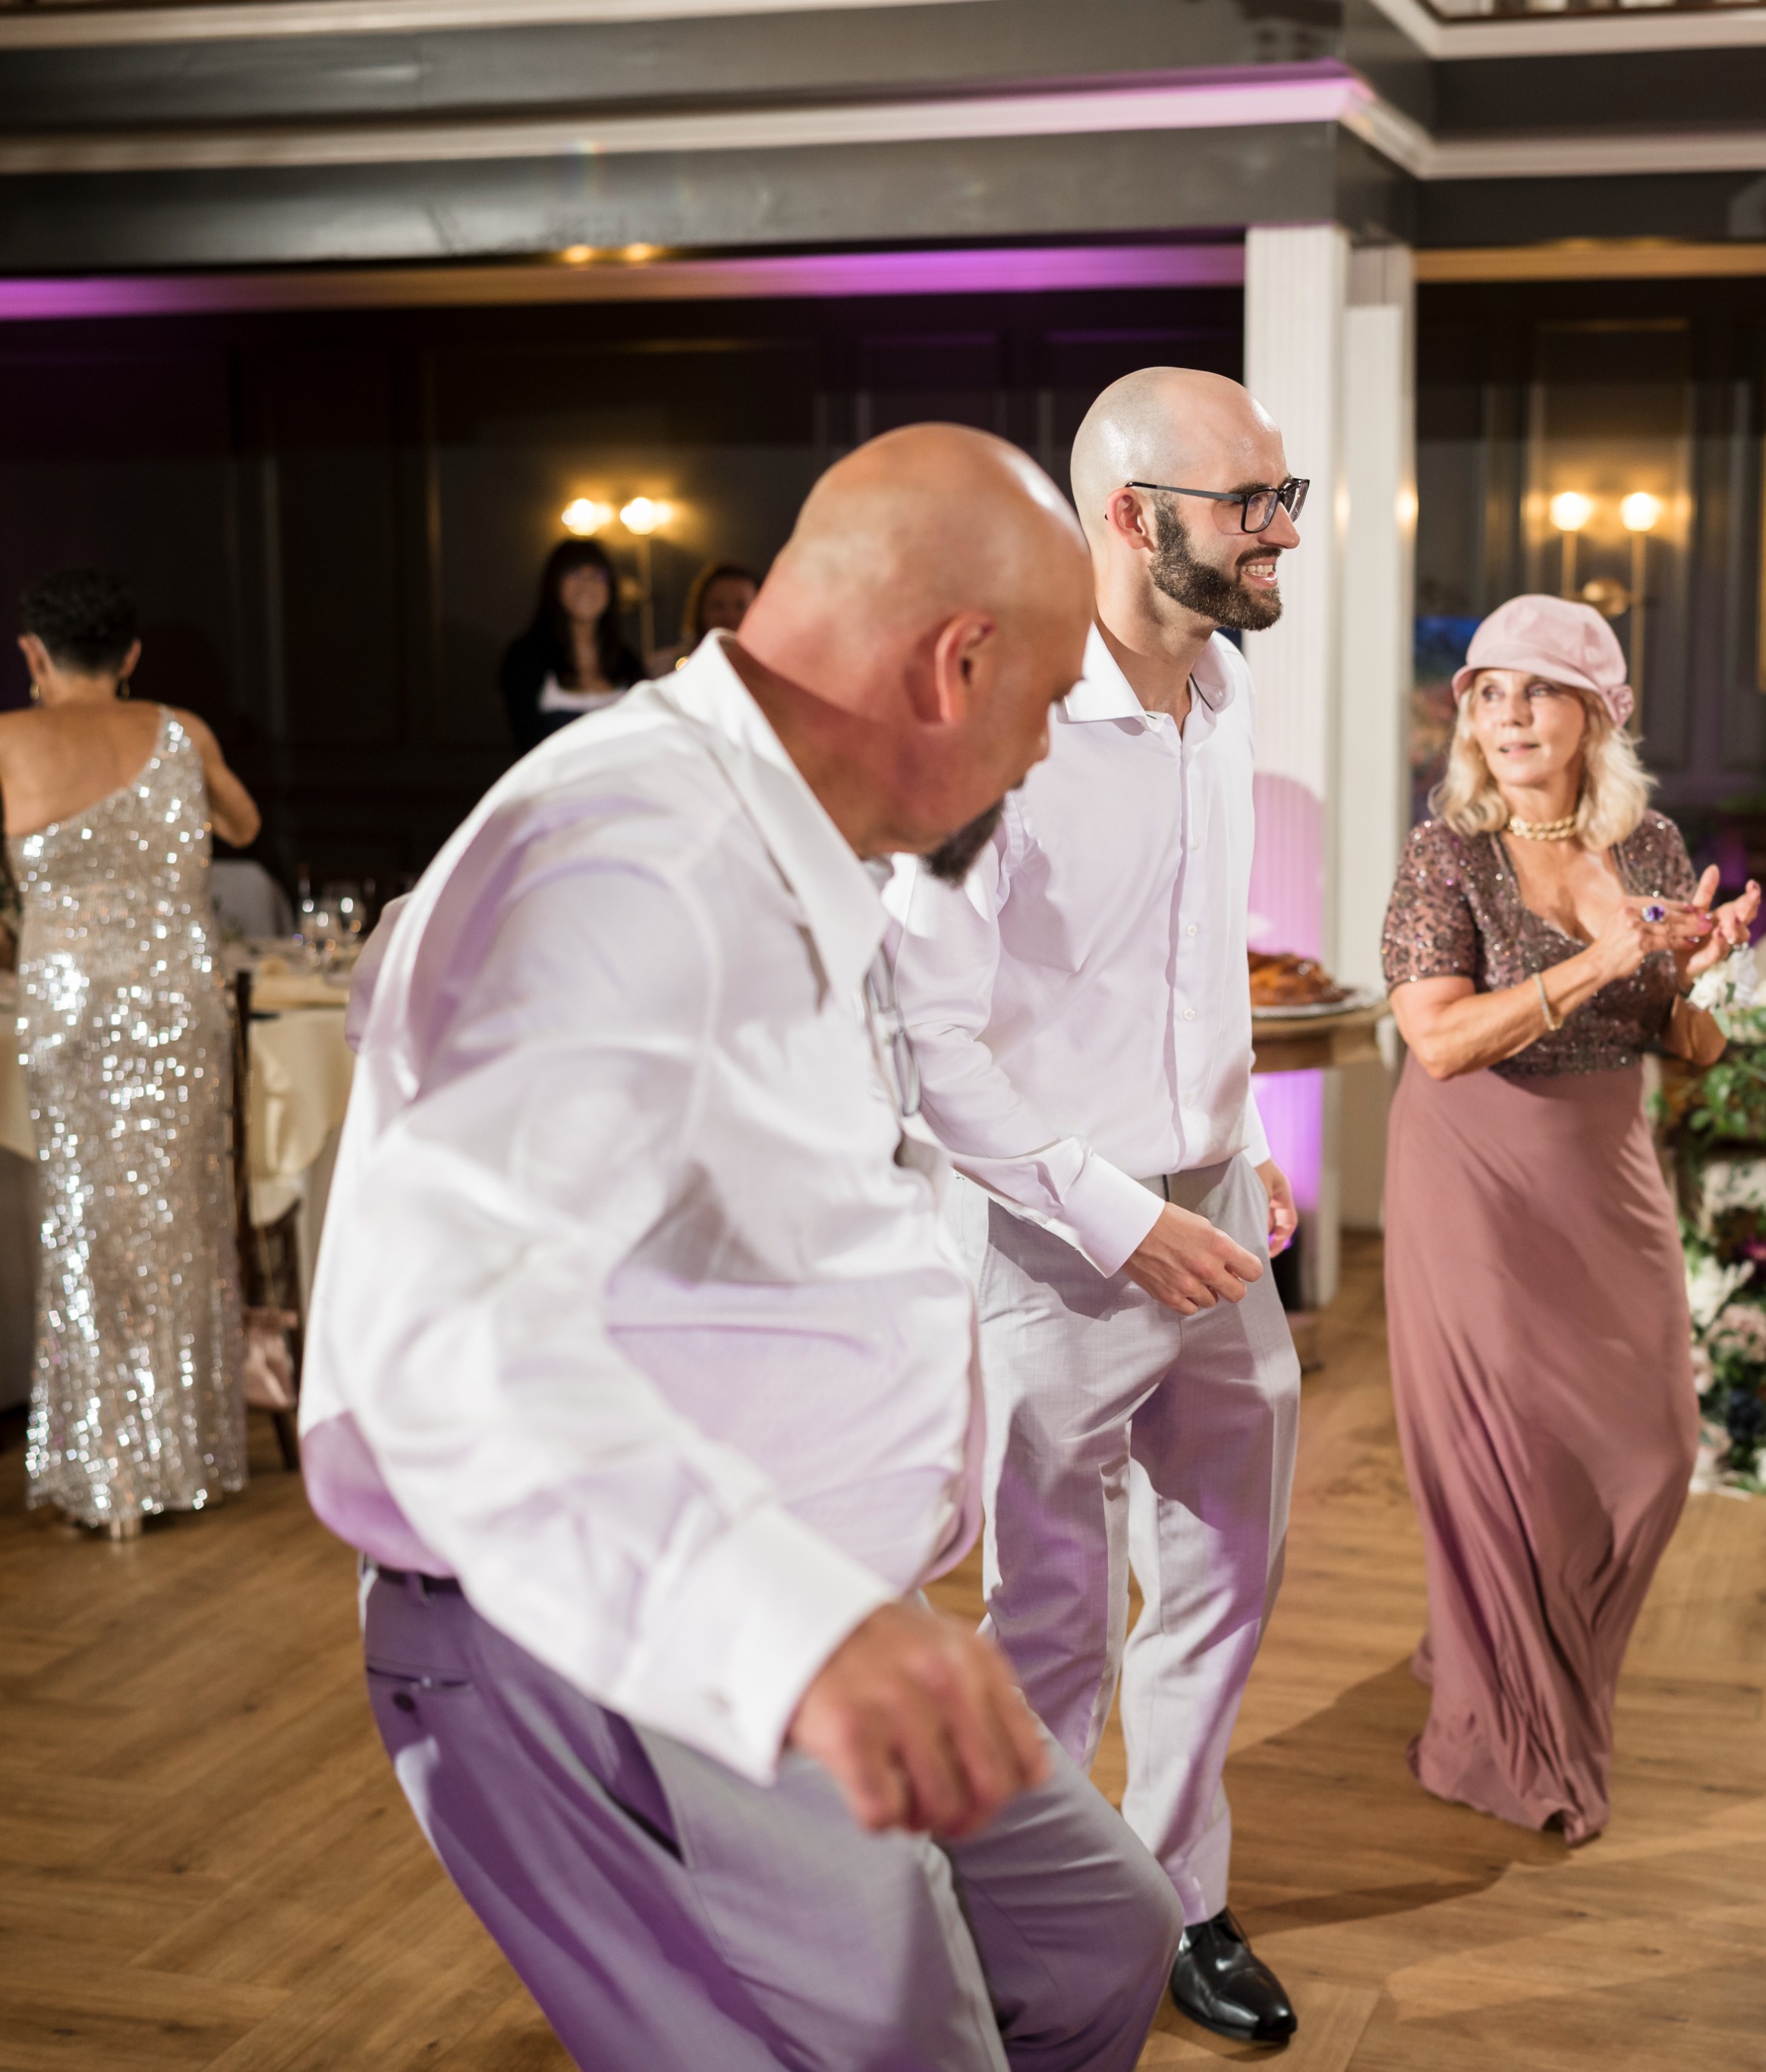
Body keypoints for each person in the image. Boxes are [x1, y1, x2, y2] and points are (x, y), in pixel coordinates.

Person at [302, 424, 1181, 2072]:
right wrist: (798, 1630)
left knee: (1097, 1939)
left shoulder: (765, 836)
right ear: (956, 665)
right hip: (607, 1639)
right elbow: (432, 1341)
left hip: (808, 1591)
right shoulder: (633, 857)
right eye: (1053, 702)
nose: (1045, 754)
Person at [886, 367, 1308, 2045]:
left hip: (1217, 1211)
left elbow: (1190, 963)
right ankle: (1040, 1933)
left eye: (1281, 497)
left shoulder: (1229, 691)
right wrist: (1116, 1213)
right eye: (1249, 504)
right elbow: (925, 1044)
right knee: (1051, 1618)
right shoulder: (1001, 724)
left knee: (1225, 1571)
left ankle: (1178, 1895)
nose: (1281, 533)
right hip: (1052, 1231)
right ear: (1131, 518)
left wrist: (1239, 1138)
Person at [1378, 596, 1758, 1844]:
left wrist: (1704, 978)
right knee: (1511, 1462)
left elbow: (1692, 1044)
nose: (1509, 717)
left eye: (1537, 691)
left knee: (1654, 1450)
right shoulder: (1446, 855)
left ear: (1597, 714)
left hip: (1607, 1165)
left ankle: (1512, 1650)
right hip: (1472, 1175)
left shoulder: (1652, 846)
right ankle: (1512, 1727)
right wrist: (1601, 960)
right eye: (1488, 693)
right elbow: (1438, 1042)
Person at [0, 568, 263, 1537]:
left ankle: (109, 1479)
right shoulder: (182, 730)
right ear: (129, 656)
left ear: (32, 653)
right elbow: (243, 826)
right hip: (178, 999)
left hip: (70, 1002)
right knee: (180, 1218)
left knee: (86, 1221)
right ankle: (187, 1460)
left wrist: (34, 951)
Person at [497, 537, 646, 755]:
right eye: (575, 574)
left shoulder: (627, 662)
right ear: (554, 584)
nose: (587, 585)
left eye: (597, 576)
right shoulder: (526, 657)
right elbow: (525, 741)